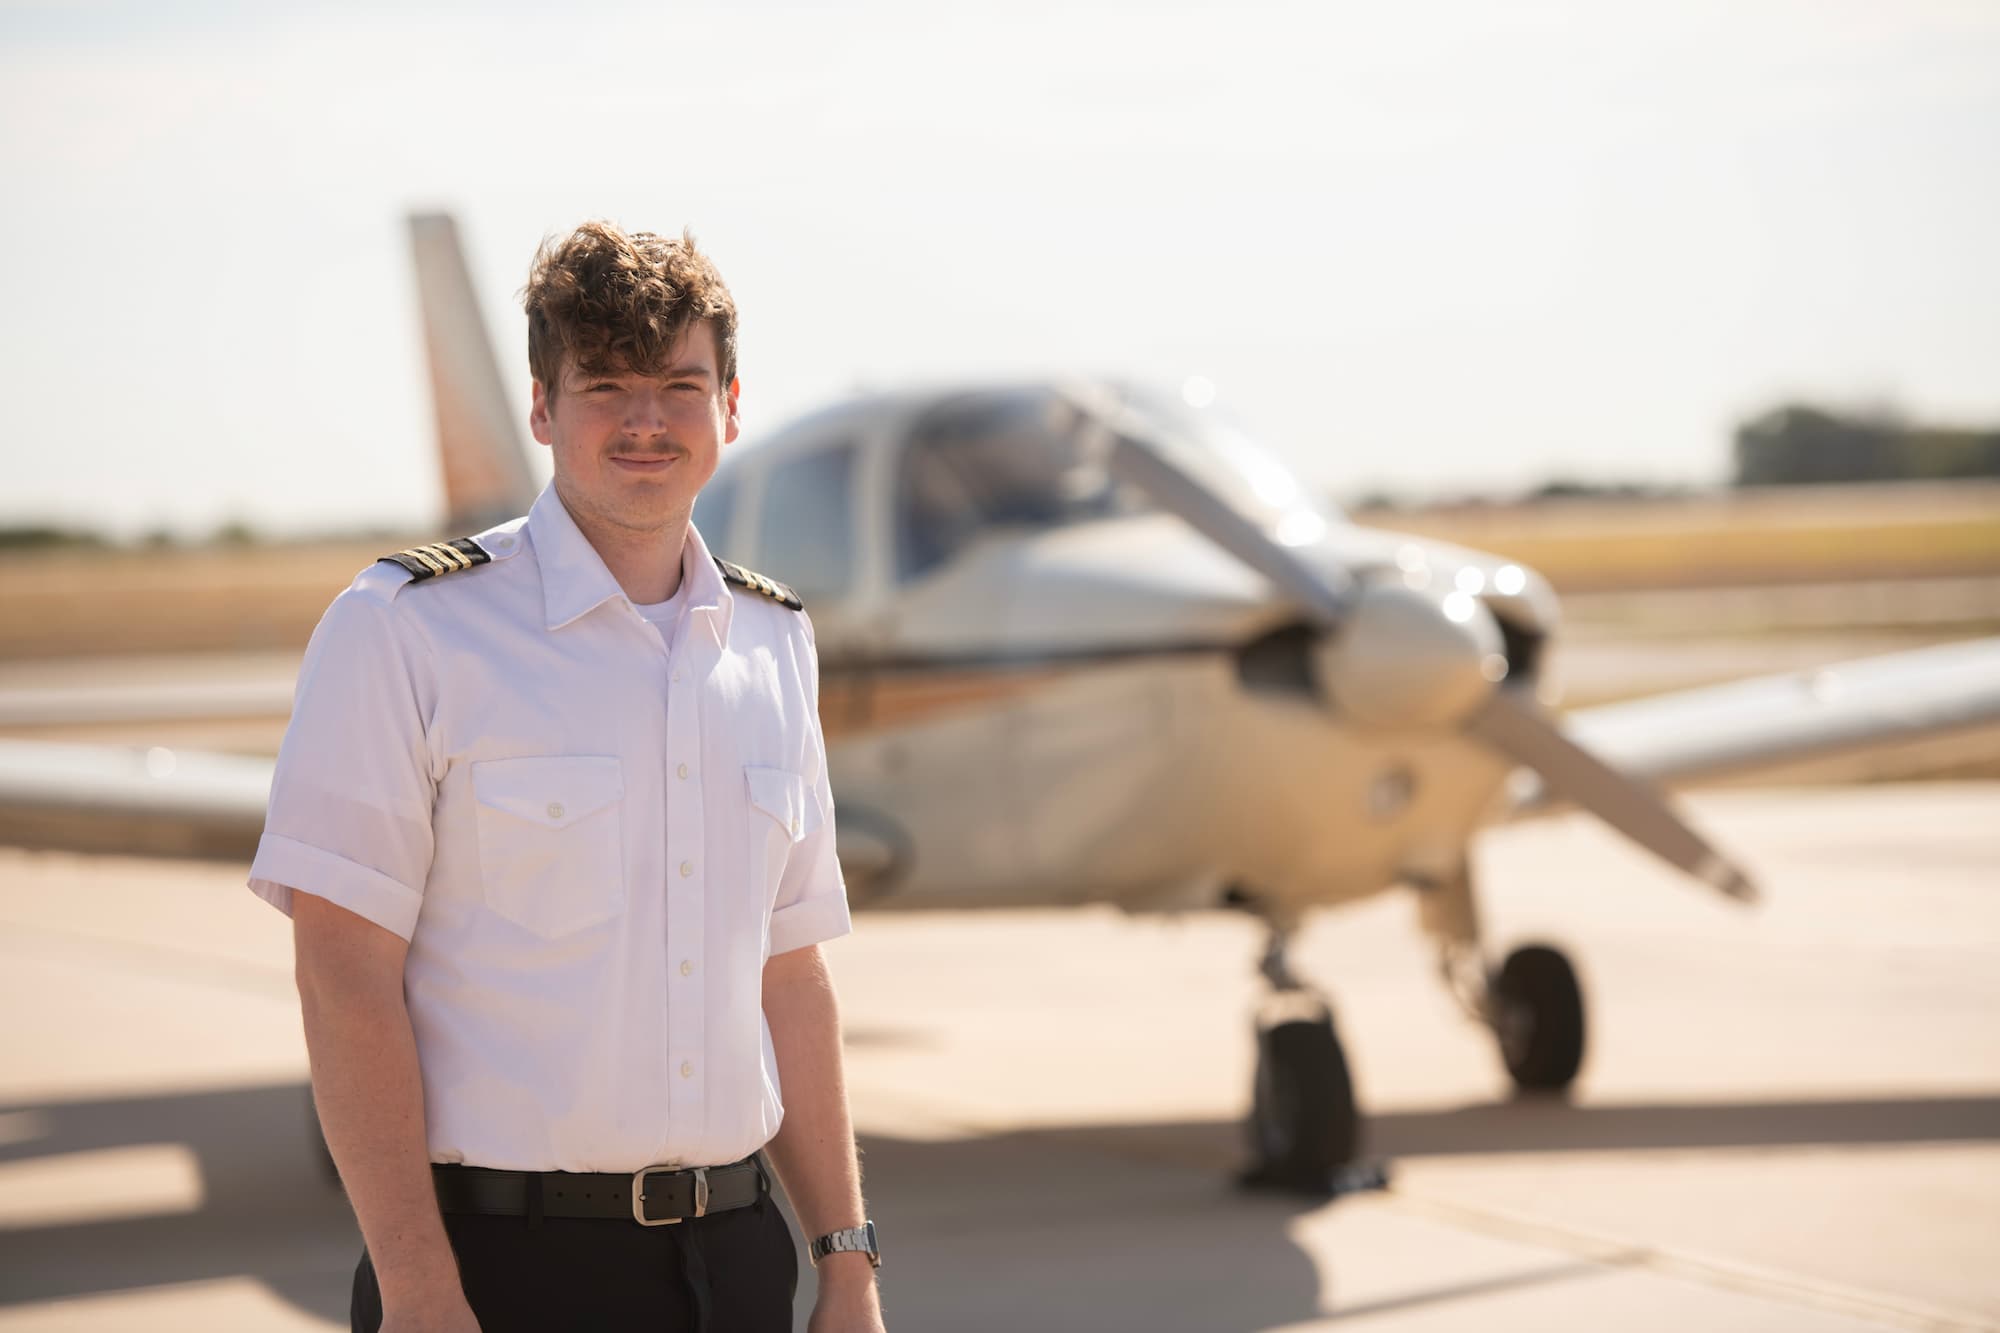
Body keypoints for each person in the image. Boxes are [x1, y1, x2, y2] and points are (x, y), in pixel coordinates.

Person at [248, 220, 885, 1332]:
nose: (646, 420)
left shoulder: (774, 642)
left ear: (729, 409)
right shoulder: (404, 629)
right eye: (605, 385)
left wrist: (845, 1262)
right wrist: (418, 1289)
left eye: (680, 386)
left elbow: (790, 975)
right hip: (498, 1274)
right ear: (543, 409)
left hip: (740, 1263)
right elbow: (343, 979)